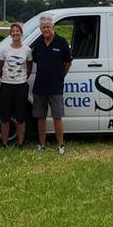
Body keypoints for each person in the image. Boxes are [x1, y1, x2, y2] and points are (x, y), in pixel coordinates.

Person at [30, 15, 72, 155]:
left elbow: (68, 62)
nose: (45, 30)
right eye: (43, 28)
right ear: (40, 29)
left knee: (57, 117)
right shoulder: (38, 43)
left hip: (55, 87)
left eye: (48, 27)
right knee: (40, 117)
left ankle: (60, 145)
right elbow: (34, 60)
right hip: (40, 86)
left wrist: (61, 77)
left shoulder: (61, 42)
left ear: (53, 27)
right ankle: (42, 145)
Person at [0, 22, 30, 147]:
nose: (15, 33)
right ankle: (4, 142)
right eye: (13, 31)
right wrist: (7, 78)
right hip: (6, 85)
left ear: (21, 33)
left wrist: (20, 78)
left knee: (21, 116)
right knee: (5, 116)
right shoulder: (4, 49)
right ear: (10, 33)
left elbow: (29, 67)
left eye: (18, 31)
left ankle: (21, 142)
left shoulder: (27, 50)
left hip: (21, 86)